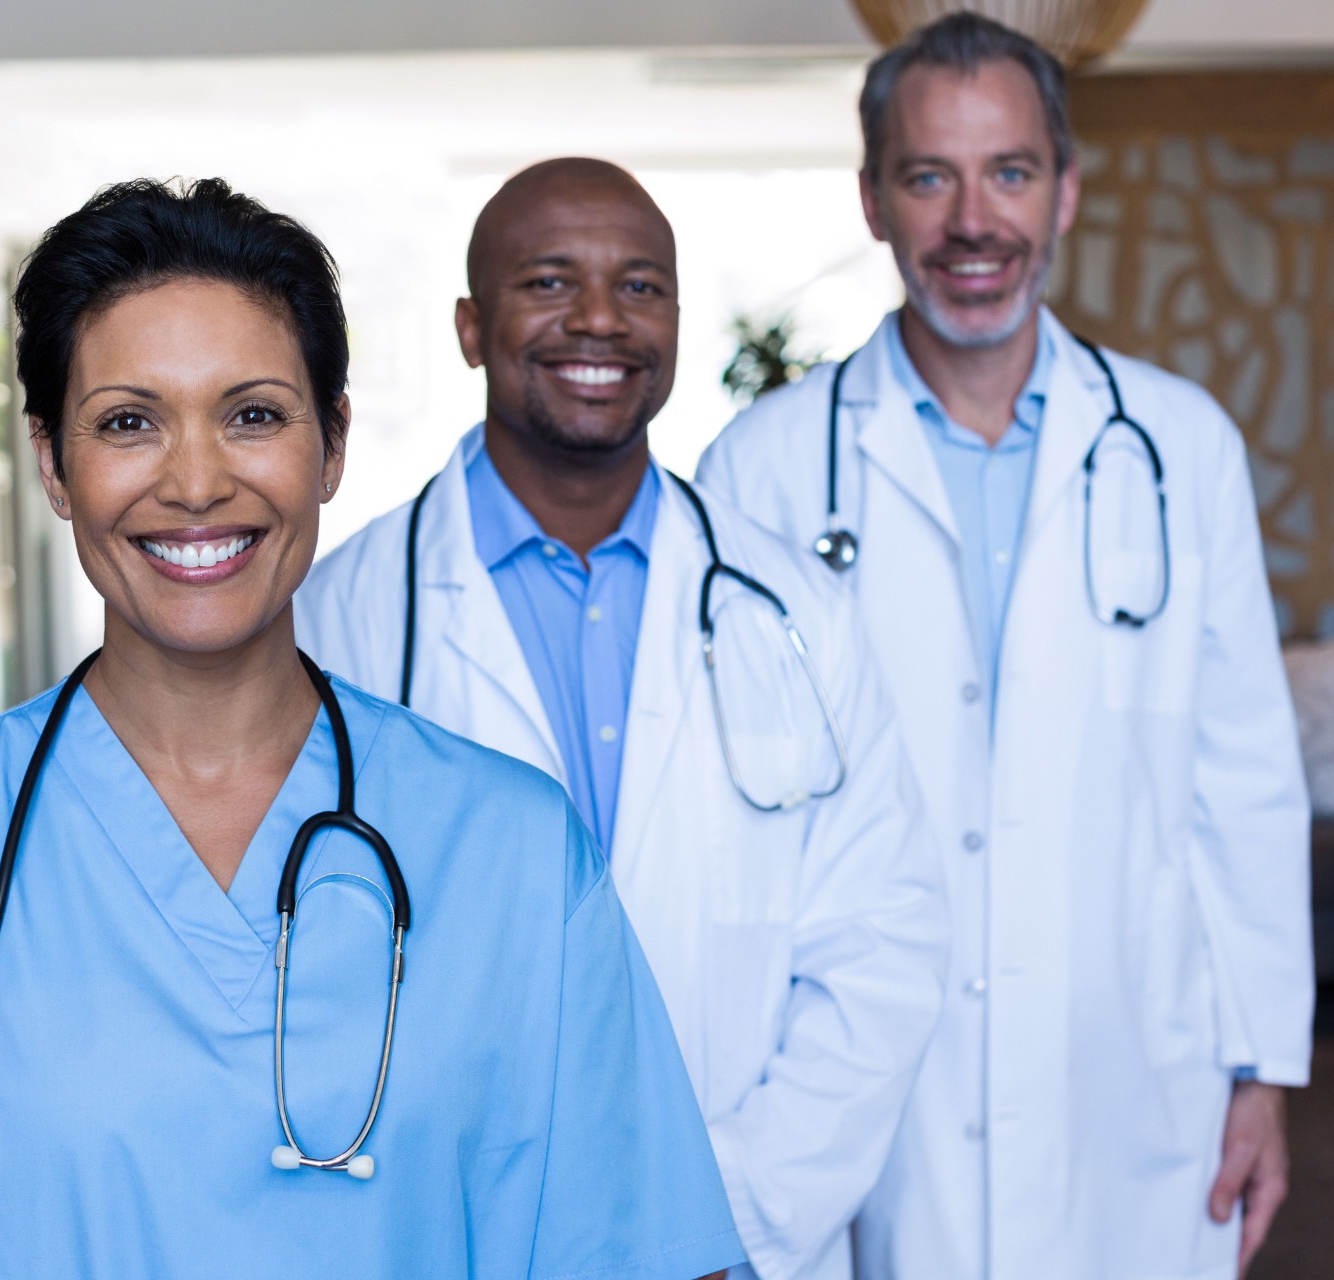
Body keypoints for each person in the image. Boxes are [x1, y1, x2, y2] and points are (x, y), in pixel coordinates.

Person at [0, 178, 746, 1280]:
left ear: (332, 444)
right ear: (52, 464)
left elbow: (651, 1251)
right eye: (128, 422)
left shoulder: (515, 850)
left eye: (253, 415)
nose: (195, 483)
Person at [697, 16, 1313, 1280]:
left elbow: (1243, 775)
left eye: (1011, 172)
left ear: (1065, 191)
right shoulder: (762, 467)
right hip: (865, 1077)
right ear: (873, 201)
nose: (974, 221)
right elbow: (736, 822)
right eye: (930, 175)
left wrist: (1264, 1071)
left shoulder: (1180, 445)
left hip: (1134, 1068)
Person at [297, 158, 951, 1280]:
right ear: (470, 327)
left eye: (641, 286)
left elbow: (881, 944)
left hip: (743, 1245)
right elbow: (312, 976)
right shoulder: (340, 619)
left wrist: (714, 1220)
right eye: (549, 281)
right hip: (458, 1238)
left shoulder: (797, 607)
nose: (600, 317)